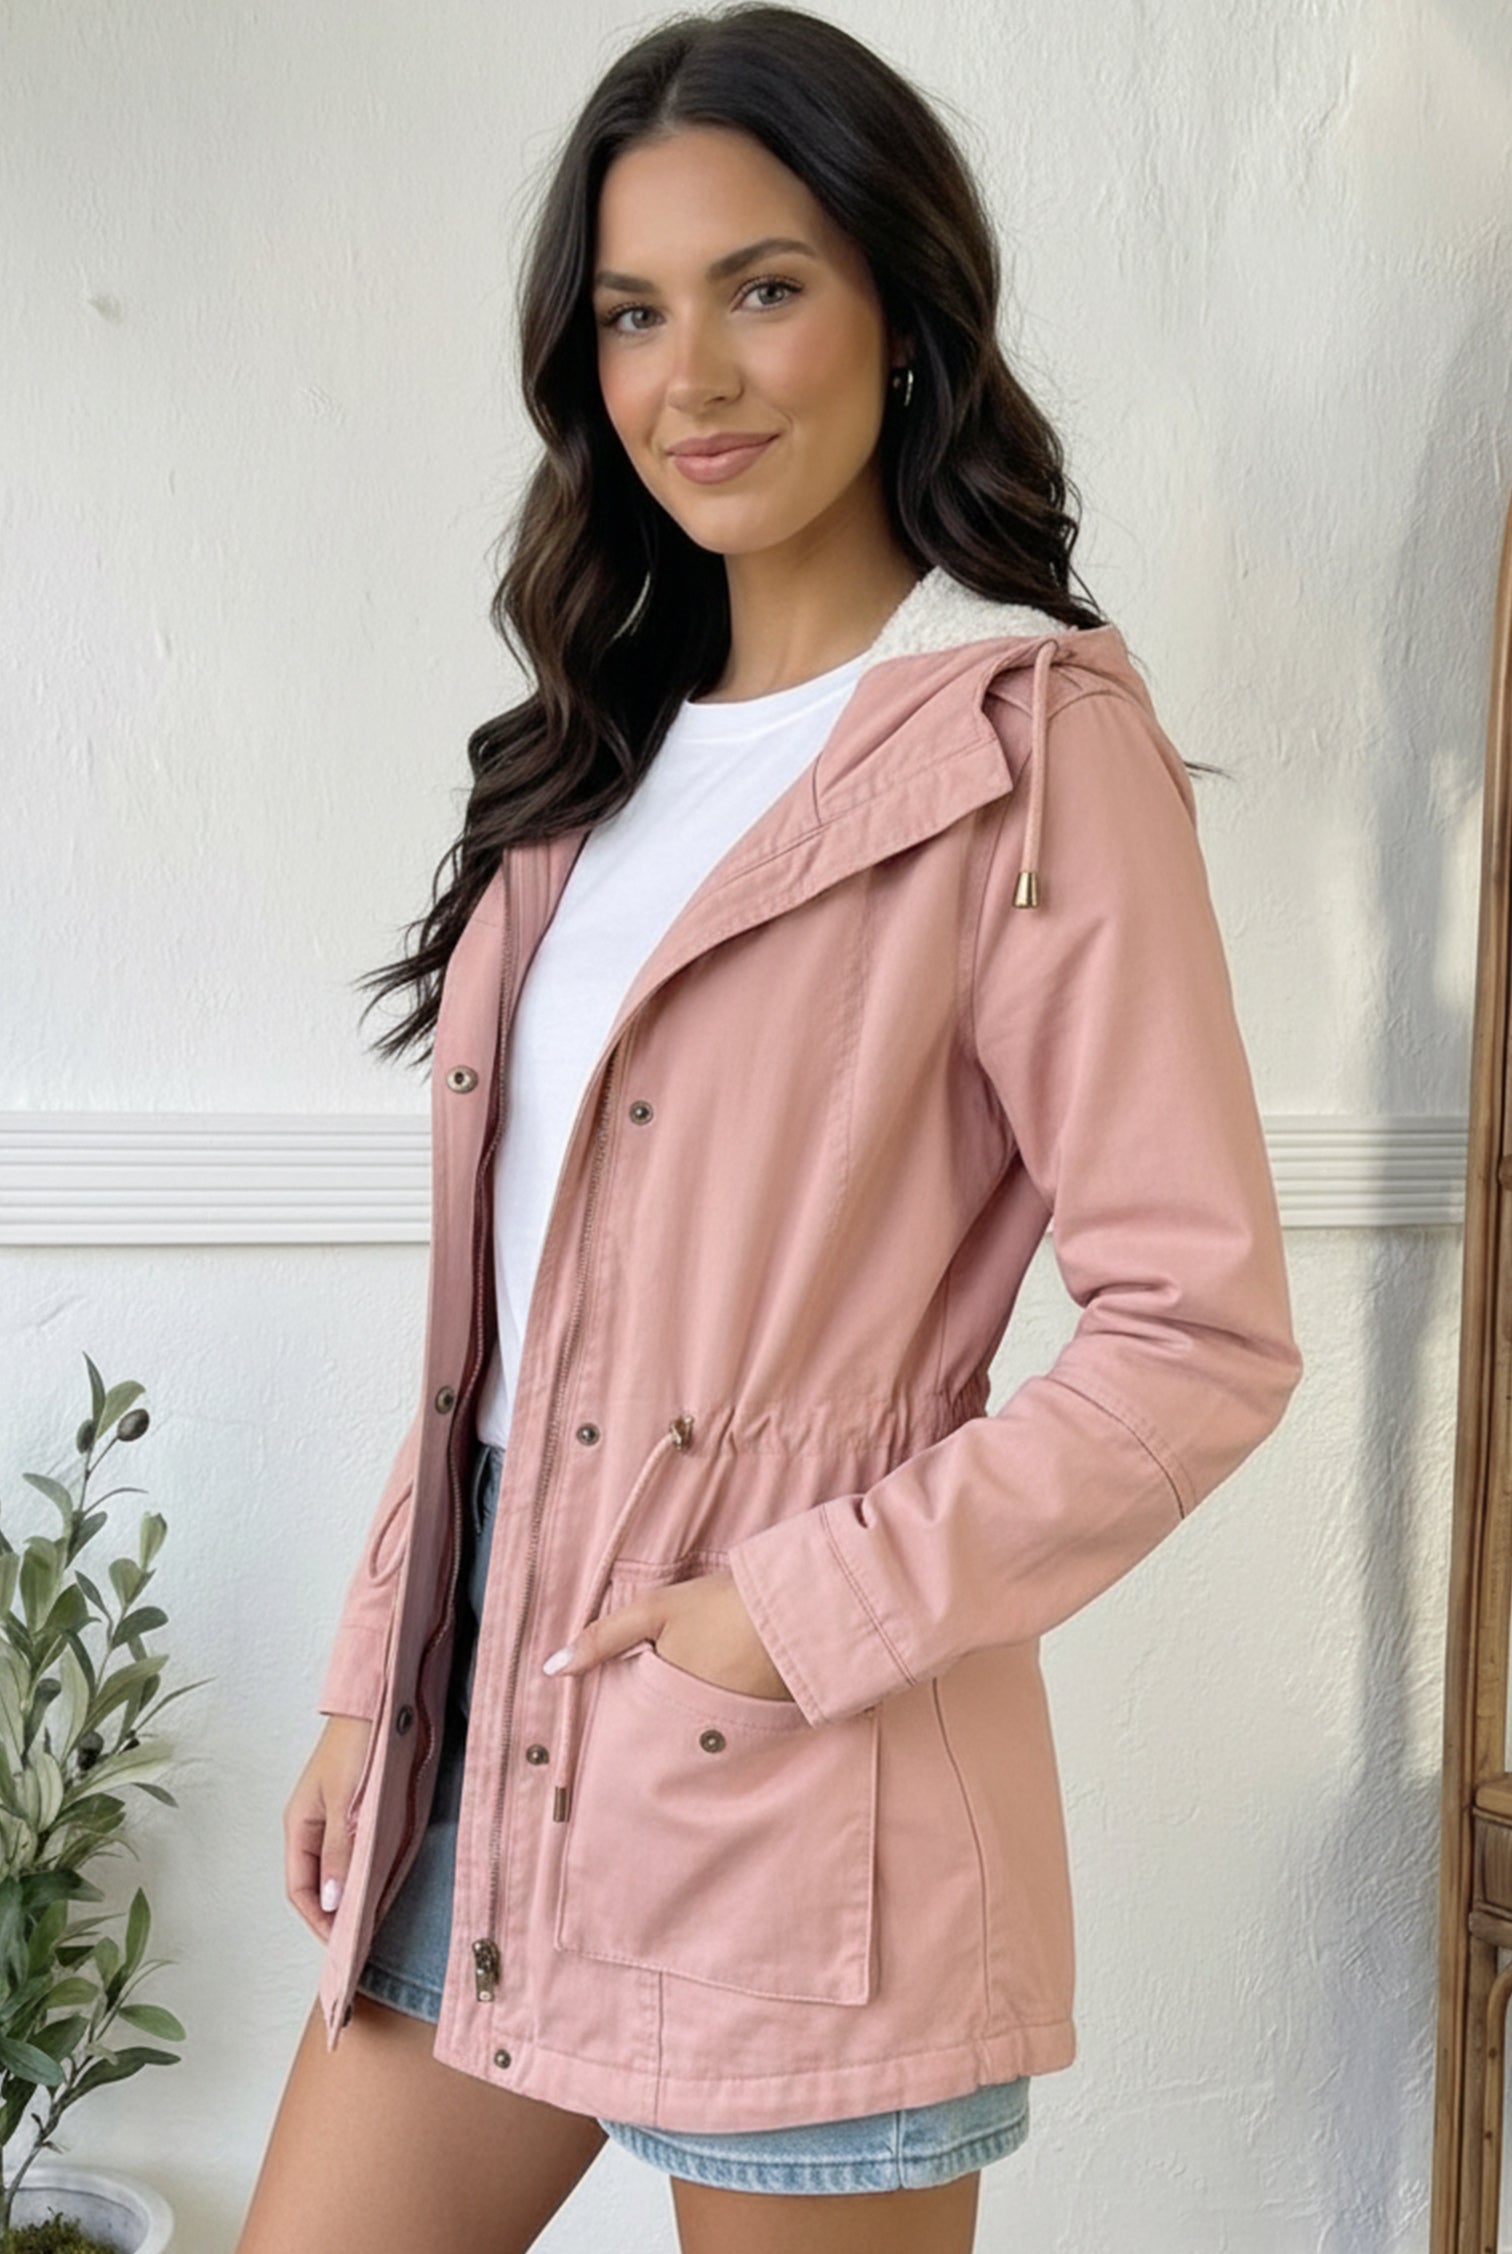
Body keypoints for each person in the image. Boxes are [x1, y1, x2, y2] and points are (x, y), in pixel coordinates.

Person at [236, 6, 1304, 2249]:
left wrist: (778, 1612)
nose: (691, 376)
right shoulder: (587, 765)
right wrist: (372, 1677)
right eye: (634, 312)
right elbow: (508, 1330)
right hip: (485, 1724)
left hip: (807, 1760)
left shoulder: (1029, 745)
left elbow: (1198, 1335)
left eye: (764, 287)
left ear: (904, 315)